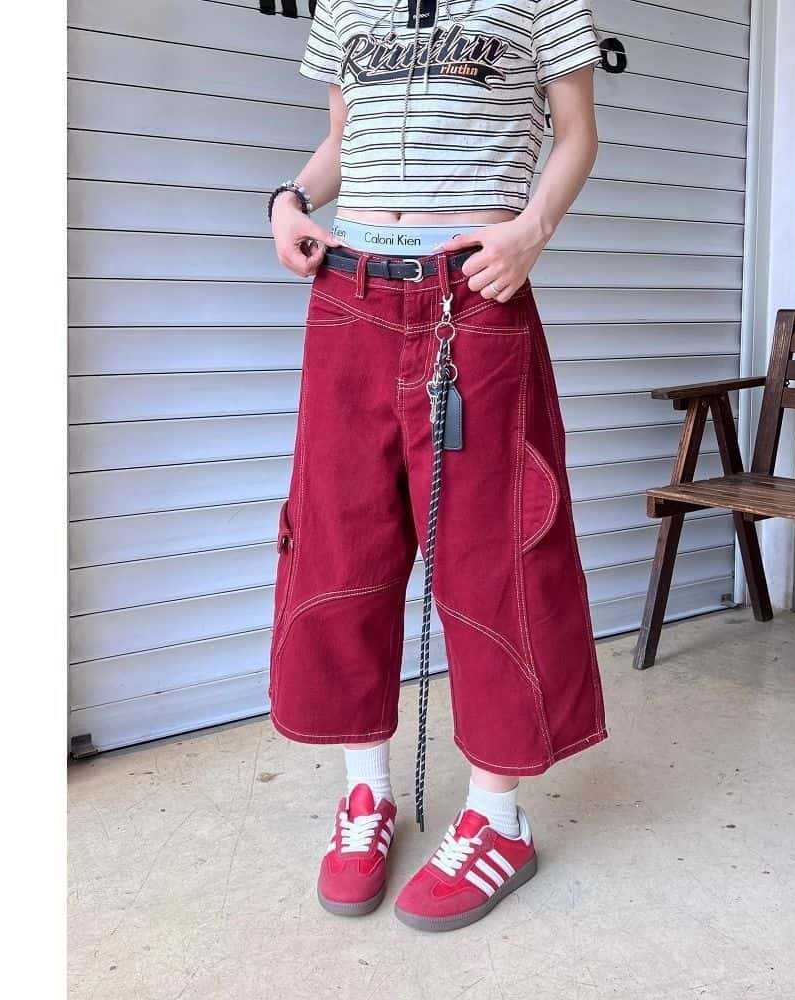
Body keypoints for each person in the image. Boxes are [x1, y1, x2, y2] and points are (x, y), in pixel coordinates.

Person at [268, 0, 608, 932]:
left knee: (493, 552)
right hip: (350, 294)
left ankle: (498, 817)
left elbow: (577, 134)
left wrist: (532, 229)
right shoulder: (346, 7)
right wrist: (290, 199)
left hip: (476, 296)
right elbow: (343, 140)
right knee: (341, 542)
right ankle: (366, 795)